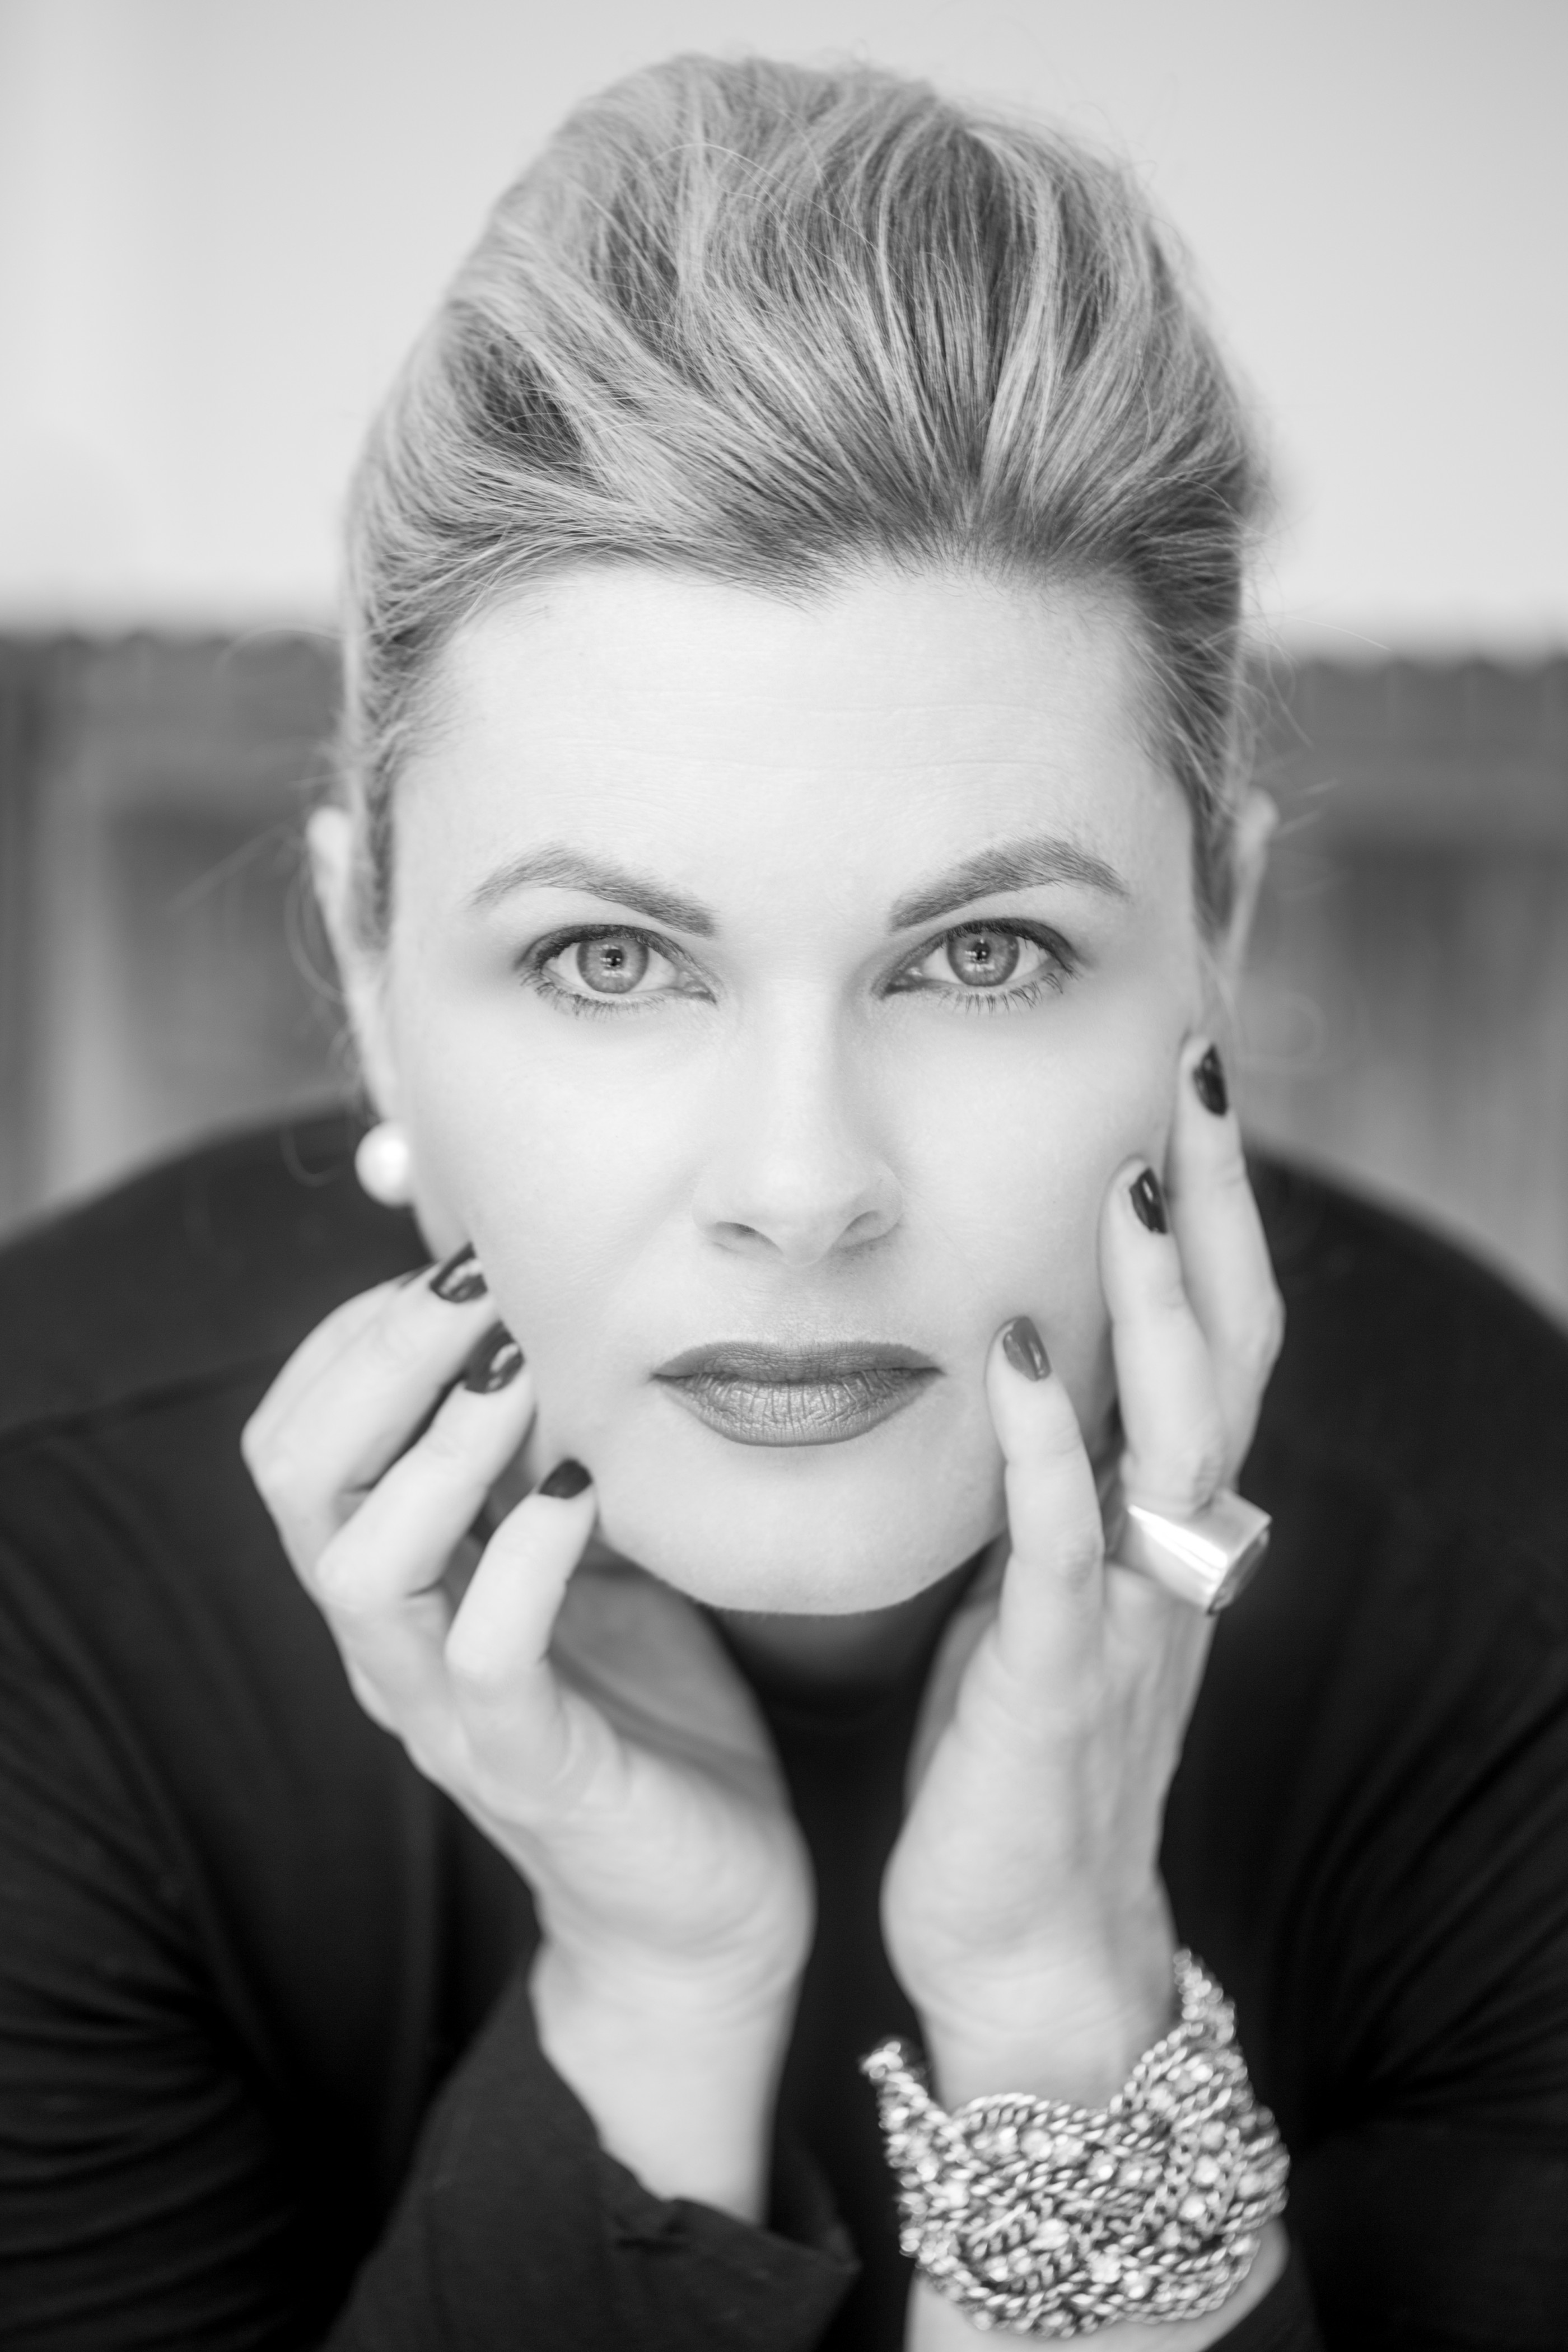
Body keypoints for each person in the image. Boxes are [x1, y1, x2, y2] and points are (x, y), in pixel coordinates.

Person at [1, 52, 1565, 2352]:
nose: (803, 1188)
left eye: (983, 955)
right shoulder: (41, 1589)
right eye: (607, 961)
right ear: (367, 965)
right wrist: (651, 1996)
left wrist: (1065, 2016)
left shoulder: (1523, 1609)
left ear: (1213, 941)